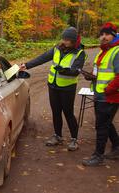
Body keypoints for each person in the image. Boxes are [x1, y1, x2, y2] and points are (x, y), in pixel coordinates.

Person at [20, 27, 86, 151]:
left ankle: (74, 139)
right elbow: (43, 57)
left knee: (68, 113)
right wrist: (27, 65)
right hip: (53, 86)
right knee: (56, 112)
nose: (64, 41)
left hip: (67, 88)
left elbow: (76, 71)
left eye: (67, 40)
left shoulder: (80, 53)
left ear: (73, 41)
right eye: (64, 38)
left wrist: (65, 71)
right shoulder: (57, 48)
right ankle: (57, 136)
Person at [82, 22, 119, 166]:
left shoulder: (116, 51)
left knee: (101, 126)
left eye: (107, 34)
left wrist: (107, 90)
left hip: (109, 96)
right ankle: (117, 147)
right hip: (100, 94)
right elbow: (100, 72)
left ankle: (98, 156)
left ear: (113, 36)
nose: (103, 37)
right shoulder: (103, 51)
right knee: (106, 124)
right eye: (102, 34)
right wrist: (91, 76)